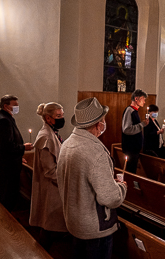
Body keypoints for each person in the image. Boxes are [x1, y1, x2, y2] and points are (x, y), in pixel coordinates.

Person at [57, 97, 127, 259]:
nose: (104, 123)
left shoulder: (67, 144)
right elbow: (110, 198)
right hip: (95, 229)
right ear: (98, 124)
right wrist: (121, 187)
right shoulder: (94, 151)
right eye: (103, 119)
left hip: (75, 221)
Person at [29, 102, 67, 251]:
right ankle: (41, 252)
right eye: (58, 116)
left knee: (50, 224)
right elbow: (50, 170)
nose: (61, 119)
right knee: (49, 224)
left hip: (54, 186)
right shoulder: (45, 137)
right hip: (51, 186)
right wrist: (65, 181)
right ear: (48, 118)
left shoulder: (53, 132)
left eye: (62, 115)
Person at [0, 95, 33, 211]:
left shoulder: (5, 117)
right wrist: (23, 148)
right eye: (15, 105)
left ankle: (6, 218)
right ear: (6, 106)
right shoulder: (3, 120)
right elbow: (6, 146)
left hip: (9, 163)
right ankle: (5, 221)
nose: (17, 107)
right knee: (7, 196)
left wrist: (19, 157)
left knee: (8, 193)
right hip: (7, 166)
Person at [122, 89, 149, 173]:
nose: (144, 102)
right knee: (130, 171)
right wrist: (142, 125)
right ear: (136, 99)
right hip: (130, 148)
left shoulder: (134, 111)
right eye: (143, 99)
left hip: (134, 149)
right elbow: (126, 129)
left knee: (133, 170)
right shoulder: (129, 111)